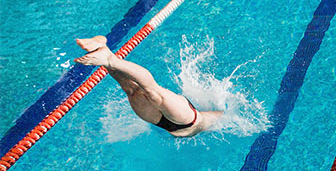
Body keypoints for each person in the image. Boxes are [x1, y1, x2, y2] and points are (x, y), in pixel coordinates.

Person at [73, 35, 223, 137]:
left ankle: (102, 50)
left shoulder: (218, 116)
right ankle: (109, 59)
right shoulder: (223, 119)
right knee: (149, 91)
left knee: (134, 90)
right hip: (184, 121)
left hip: (173, 122)